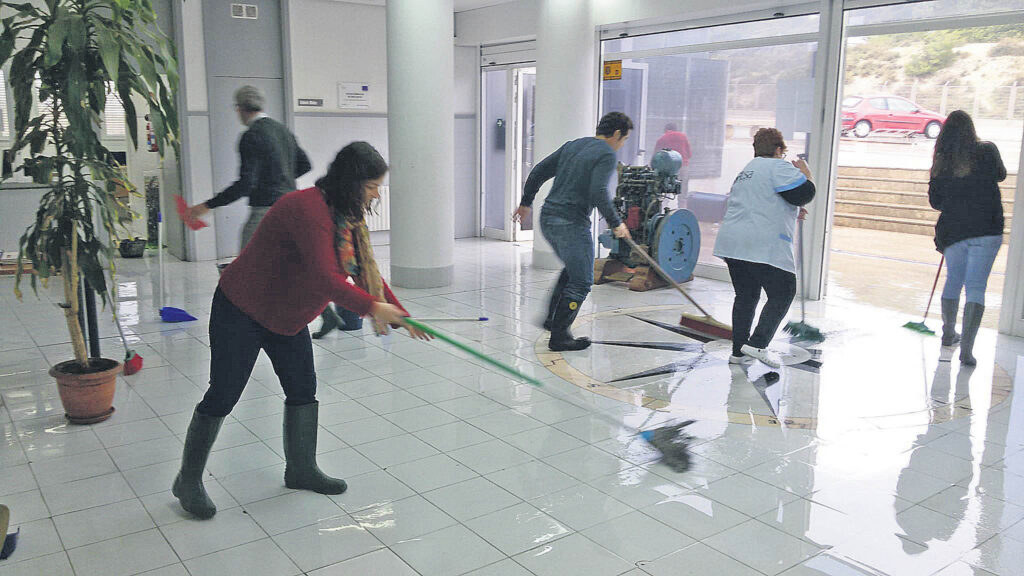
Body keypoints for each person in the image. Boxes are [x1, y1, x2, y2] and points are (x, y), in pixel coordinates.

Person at [172, 142, 431, 519]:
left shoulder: (347, 216)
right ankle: (188, 480)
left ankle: (300, 469)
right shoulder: (307, 209)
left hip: (287, 317)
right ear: (351, 182)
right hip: (242, 309)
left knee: (302, 390)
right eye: (372, 186)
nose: (376, 194)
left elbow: (363, 270)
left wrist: (400, 314)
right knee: (224, 393)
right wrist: (375, 308)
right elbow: (325, 278)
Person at [513, 112, 633, 352]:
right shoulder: (606, 154)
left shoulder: (574, 145)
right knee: (582, 280)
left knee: (574, 269)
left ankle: (552, 320)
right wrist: (616, 222)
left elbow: (538, 171)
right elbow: (598, 191)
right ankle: (560, 336)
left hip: (548, 218)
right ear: (617, 134)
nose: (622, 145)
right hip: (570, 223)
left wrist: (526, 202)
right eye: (624, 139)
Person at [713, 128, 815, 368]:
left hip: (733, 242)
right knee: (784, 291)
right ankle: (758, 343)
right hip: (760, 243)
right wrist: (807, 174)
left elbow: (764, 200)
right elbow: (804, 194)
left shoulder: (746, 171)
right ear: (779, 150)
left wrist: (791, 211)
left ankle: (738, 353)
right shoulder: (778, 166)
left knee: (746, 296)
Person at [186, 85, 312, 249]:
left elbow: (246, 184)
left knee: (248, 260)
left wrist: (207, 205)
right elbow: (305, 165)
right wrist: (279, 178)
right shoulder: (283, 130)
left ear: (239, 109)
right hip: (292, 209)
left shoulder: (251, 135)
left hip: (266, 212)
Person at [928, 110, 1006, 366]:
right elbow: (1001, 174)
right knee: (976, 287)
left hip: (955, 231)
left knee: (954, 281)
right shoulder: (987, 150)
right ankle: (967, 351)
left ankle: (948, 333)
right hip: (987, 228)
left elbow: (936, 202)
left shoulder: (942, 161)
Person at [654, 122, 692, 196]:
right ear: (676, 129)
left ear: (665, 130)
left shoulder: (661, 139)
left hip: (667, 169)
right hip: (683, 166)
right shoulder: (683, 136)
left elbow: (656, 157)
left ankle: (664, 202)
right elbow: (689, 154)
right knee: (683, 189)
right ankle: (682, 203)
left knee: (664, 189)